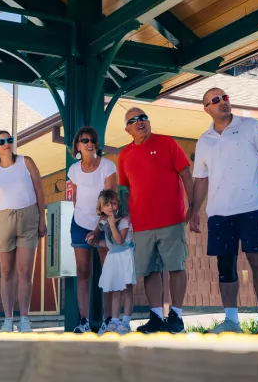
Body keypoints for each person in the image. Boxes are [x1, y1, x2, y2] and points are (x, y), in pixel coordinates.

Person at [190, 87, 258, 333]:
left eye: (225, 97)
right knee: (225, 265)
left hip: (251, 205)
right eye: (216, 100)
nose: (223, 102)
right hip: (219, 211)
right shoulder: (204, 141)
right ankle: (232, 321)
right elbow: (200, 179)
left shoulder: (252, 126)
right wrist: (194, 210)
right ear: (206, 108)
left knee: (256, 259)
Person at [117, 107, 194, 334]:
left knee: (175, 267)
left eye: (143, 117)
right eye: (134, 120)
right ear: (127, 129)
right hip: (142, 224)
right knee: (149, 270)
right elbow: (127, 188)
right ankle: (157, 317)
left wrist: (194, 207)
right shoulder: (124, 155)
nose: (140, 122)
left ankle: (176, 316)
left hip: (171, 219)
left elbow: (186, 174)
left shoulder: (167, 143)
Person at [0, 130, 47, 333]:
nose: (6, 144)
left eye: (9, 140)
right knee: (7, 271)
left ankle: (25, 319)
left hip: (28, 217)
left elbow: (39, 189)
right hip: (2, 219)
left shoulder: (26, 162)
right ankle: (8, 319)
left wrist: (42, 218)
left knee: (25, 271)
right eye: (1, 141)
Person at [66, 126, 118, 334]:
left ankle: (108, 320)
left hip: (104, 226)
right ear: (77, 146)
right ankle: (84, 321)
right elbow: (75, 197)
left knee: (107, 273)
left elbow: (110, 202)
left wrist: (97, 230)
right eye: (84, 140)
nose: (89, 144)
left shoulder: (107, 166)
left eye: (92, 140)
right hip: (79, 224)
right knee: (83, 272)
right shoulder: (73, 170)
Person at [87, 189, 136, 334]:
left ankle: (126, 322)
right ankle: (114, 320)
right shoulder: (105, 221)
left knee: (127, 290)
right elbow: (110, 244)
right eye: (106, 205)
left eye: (113, 204)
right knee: (115, 289)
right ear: (101, 208)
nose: (110, 207)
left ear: (118, 205)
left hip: (125, 256)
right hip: (113, 257)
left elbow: (119, 241)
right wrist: (95, 243)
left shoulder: (124, 220)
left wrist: (112, 224)